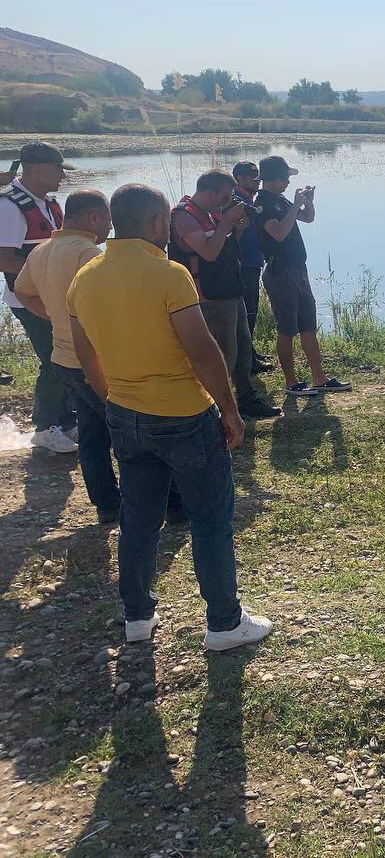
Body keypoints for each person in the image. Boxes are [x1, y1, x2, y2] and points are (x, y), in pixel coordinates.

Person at [66, 183, 272, 650]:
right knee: (210, 518)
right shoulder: (169, 274)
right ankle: (224, 623)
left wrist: (115, 400)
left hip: (125, 414)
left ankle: (137, 617)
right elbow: (201, 349)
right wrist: (230, 409)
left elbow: (85, 356)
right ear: (158, 223)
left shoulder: (86, 277)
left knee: (139, 518)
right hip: (184, 415)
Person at [14, 191, 120, 521]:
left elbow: (22, 291)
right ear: (93, 218)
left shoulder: (42, 249)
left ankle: (107, 504)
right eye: (107, 219)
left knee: (91, 433)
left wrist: (54, 316)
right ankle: (149, 502)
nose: (109, 227)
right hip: (93, 362)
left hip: (62, 357)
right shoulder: (89, 254)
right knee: (125, 431)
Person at [169, 170, 280, 419]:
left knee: (242, 348)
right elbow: (208, 253)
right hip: (209, 297)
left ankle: (246, 400)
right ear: (211, 192)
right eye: (226, 195)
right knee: (223, 356)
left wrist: (235, 228)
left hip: (229, 289)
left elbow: (224, 247)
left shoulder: (211, 214)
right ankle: (213, 412)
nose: (227, 201)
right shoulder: (184, 217)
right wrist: (226, 222)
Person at [0, 142, 78, 452]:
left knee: (66, 355)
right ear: (38, 170)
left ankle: (66, 420)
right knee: (53, 358)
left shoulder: (49, 203)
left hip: (53, 296)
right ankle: (45, 427)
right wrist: (45, 271)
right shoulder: (10, 207)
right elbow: (4, 260)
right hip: (28, 298)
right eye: (59, 170)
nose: (63, 176)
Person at [252, 155, 351, 397]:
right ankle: (291, 382)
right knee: (287, 328)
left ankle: (320, 378)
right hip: (281, 272)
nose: (288, 181)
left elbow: (308, 218)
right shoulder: (262, 203)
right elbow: (277, 233)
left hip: (298, 270)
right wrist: (295, 205)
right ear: (272, 178)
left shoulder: (281, 199)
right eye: (285, 177)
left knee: (307, 325)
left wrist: (308, 203)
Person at [230, 161, 273, 374]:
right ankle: (247, 360)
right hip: (243, 264)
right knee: (247, 311)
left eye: (258, 175)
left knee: (251, 310)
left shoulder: (248, 199)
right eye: (252, 176)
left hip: (253, 262)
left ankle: (250, 352)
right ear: (239, 178)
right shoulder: (234, 200)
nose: (257, 180)